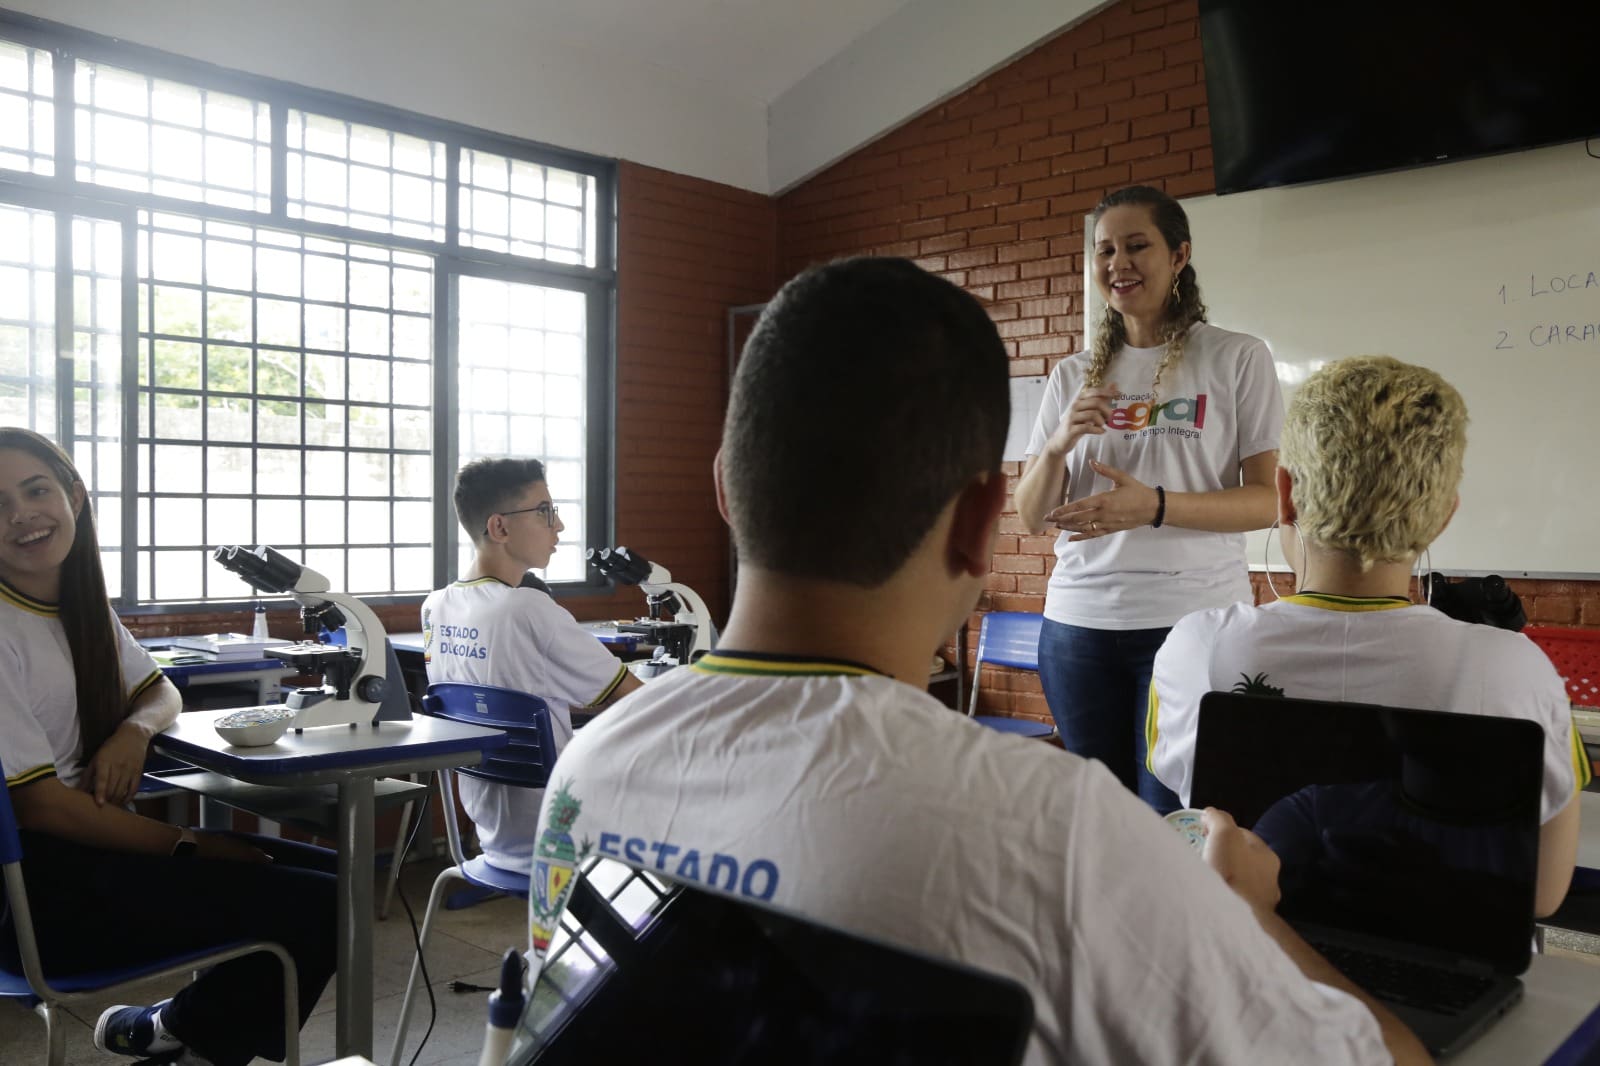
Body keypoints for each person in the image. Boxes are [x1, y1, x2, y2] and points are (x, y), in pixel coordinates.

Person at [527, 258, 1429, 1065]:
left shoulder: (592, 765)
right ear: (979, 520)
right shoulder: (1055, 835)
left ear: (726, 487)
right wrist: (1248, 916)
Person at [1148, 356, 1583, 917]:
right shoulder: (1513, 667)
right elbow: (1543, 897)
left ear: (1285, 493)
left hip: (1252, 962)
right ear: (1443, 517)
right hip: (1438, 979)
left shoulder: (1196, 647)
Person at [0, 427, 337, 1066]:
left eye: (35, 489)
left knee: (333, 880)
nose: (21, 516)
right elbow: (39, 807)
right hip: (42, 902)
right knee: (322, 903)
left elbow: (161, 693)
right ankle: (185, 1036)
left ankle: (172, 1033)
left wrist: (133, 731)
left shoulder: (79, 608)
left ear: (73, 495)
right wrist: (194, 843)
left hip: (89, 860)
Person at [1013, 184, 1283, 812]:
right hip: (1077, 628)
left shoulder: (1236, 358)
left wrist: (1155, 505)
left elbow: (1266, 502)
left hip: (1190, 620)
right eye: (1105, 250)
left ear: (1179, 255)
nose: (1118, 263)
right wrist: (1057, 444)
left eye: (1138, 246)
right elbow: (1030, 517)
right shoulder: (1071, 374)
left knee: (1172, 818)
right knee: (1101, 819)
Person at [420, 457, 641, 873]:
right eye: (545, 512)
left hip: (492, 835)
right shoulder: (527, 607)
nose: (559, 526)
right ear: (499, 527)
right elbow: (636, 699)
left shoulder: (436, 607)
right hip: (563, 834)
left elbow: (503, 700)